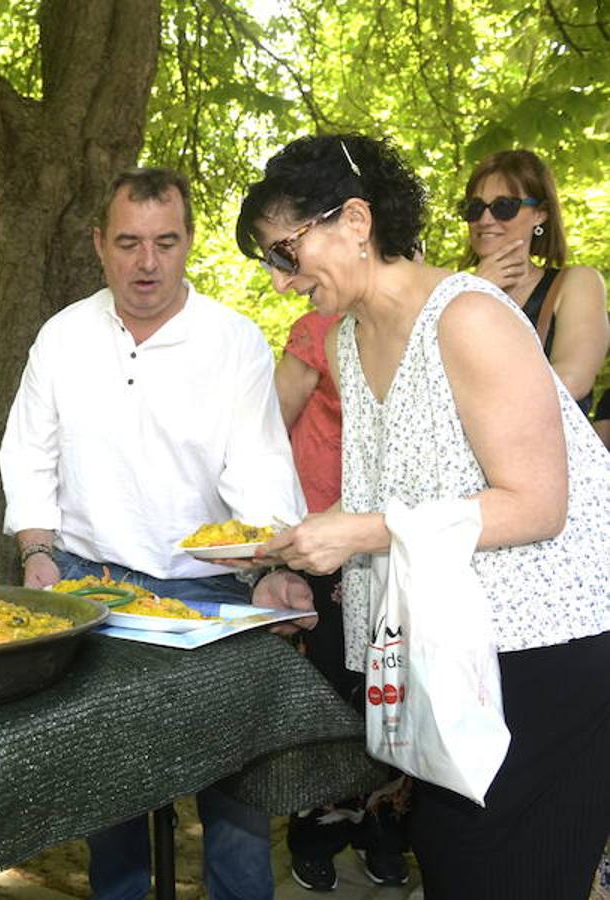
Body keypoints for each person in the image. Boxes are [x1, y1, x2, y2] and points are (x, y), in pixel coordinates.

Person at [236, 133, 610, 899]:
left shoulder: (468, 316)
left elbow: (537, 505)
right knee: (448, 854)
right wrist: (292, 553)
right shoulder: (348, 338)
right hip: (454, 649)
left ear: (355, 221)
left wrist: (361, 533)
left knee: (501, 869)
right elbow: (389, 496)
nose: (280, 281)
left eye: (284, 251)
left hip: (551, 646)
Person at [0, 167, 313, 900]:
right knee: (110, 791)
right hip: (92, 585)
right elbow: (29, 454)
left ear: (189, 242)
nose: (147, 264)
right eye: (129, 243)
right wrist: (36, 551)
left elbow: (260, 467)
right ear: (99, 243)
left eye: (165, 243)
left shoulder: (234, 341)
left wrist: (271, 568)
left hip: (211, 588)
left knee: (234, 793)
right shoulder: (62, 337)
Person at [274, 310, 409, 892]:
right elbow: (267, 431)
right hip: (322, 539)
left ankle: (383, 828)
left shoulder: (430, 323)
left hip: (396, 537)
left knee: (392, 690)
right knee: (329, 688)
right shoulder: (318, 329)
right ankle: (318, 833)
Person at [460, 149, 609, 412]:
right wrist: (477, 293)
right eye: (474, 208)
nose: (485, 219)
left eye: (504, 207)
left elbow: (573, 380)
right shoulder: (455, 294)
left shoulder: (575, 283)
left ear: (540, 214)